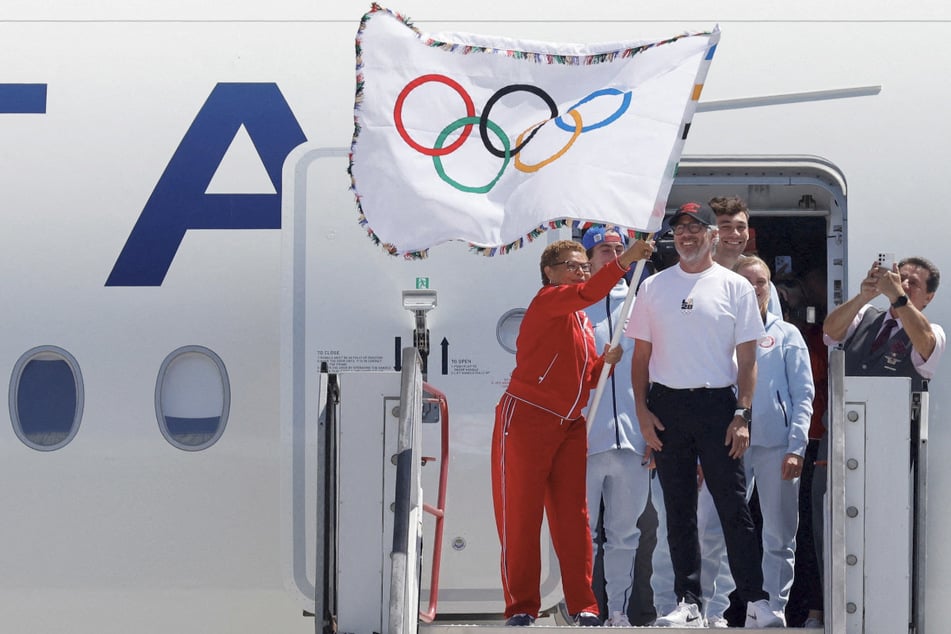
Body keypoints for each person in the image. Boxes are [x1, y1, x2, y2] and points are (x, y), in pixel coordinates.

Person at [625, 202, 774, 628]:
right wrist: (642, 411)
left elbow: (748, 358)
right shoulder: (653, 287)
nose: (687, 236)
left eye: (695, 228)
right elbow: (641, 357)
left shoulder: (734, 286)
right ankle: (686, 600)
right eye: (680, 229)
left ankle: (755, 601)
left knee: (734, 509)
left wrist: (742, 414)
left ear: (712, 235)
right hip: (668, 406)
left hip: (718, 407)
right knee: (679, 509)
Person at [492, 236, 654, 627]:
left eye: (584, 265)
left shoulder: (579, 318)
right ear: (549, 273)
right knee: (522, 515)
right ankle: (522, 606)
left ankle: (584, 603)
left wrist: (605, 364)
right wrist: (626, 261)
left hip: (568, 422)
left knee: (574, 517)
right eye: (571, 265)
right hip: (528, 418)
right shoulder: (550, 300)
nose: (580, 271)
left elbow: (583, 375)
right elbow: (586, 292)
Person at [817, 256, 945, 627]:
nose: (902, 285)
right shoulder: (865, 318)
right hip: (840, 443)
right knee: (830, 528)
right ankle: (832, 614)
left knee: (882, 532)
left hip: (887, 451)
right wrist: (864, 296)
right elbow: (830, 332)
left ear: (928, 297)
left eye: (912, 284)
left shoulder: (931, 328)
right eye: (898, 278)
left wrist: (899, 301)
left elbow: (926, 352)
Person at [581, 227, 676, 627]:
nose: (614, 256)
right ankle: (581, 608)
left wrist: (652, 432)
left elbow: (657, 373)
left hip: (632, 440)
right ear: (588, 258)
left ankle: (616, 612)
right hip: (583, 440)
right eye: (605, 250)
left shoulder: (640, 305)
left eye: (620, 250)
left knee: (625, 534)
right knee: (581, 533)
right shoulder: (574, 306)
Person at [735, 256, 814, 626]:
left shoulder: (787, 334)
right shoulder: (720, 330)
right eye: (746, 281)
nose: (754, 288)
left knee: (779, 532)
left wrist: (796, 447)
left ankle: (774, 608)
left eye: (761, 282)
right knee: (718, 528)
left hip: (776, 445)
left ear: (770, 287)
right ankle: (717, 609)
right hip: (729, 445)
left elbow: (803, 395)